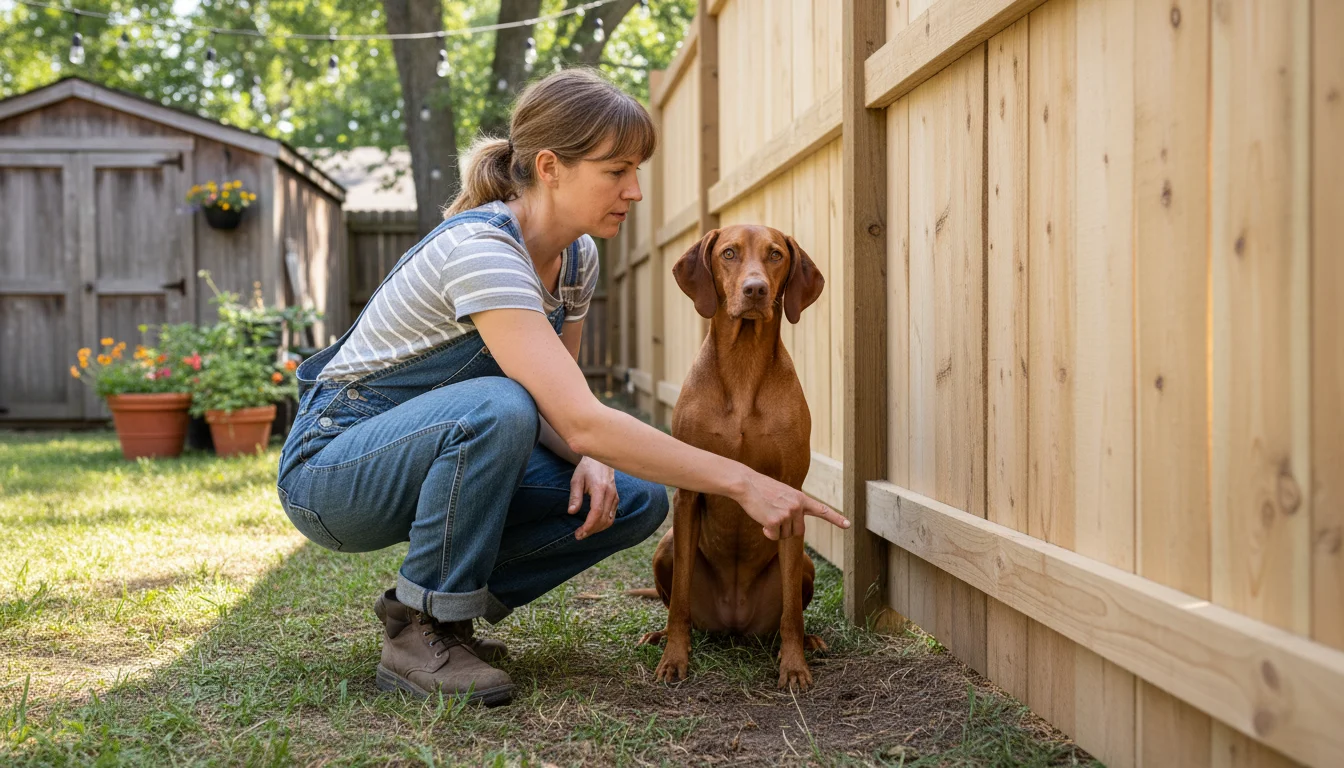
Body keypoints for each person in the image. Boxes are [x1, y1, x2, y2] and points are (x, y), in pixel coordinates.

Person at [275, 68, 849, 707]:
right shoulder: (482, 250)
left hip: (435, 452)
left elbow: (564, 403)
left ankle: (436, 608)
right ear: (549, 167)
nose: (634, 190)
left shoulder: (576, 258)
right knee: (497, 406)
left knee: (632, 497)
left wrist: (594, 459)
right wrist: (741, 480)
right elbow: (576, 420)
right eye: (616, 171)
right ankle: (423, 629)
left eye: (637, 171)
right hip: (334, 468)